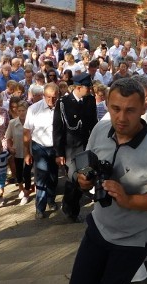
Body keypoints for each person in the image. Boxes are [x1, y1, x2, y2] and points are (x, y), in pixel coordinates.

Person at [68, 78, 147, 284]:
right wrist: (82, 178)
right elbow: (84, 162)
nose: (121, 117)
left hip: (133, 238)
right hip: (99, 226)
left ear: (143, 109)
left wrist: (129, 200)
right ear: (107, 105)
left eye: (130, 110)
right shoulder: (100, 130)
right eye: (115, 108)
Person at [53, 73, 98, 222]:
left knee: (84, 180)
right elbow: (58, 130)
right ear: (79, 87)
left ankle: (72, 207)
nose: (91, 90)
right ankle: (70, 209)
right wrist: (59, 153)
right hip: (71, 150)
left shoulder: (90, 101)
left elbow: (93, 124)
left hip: (86, 148)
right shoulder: (63, 103)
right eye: (88, 87)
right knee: (74, 179)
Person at [24, 83, 60, 218]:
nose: (51, 100)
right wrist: (27, 152)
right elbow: (27, 132)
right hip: (39, 146)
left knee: (53, 175)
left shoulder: (60, 107)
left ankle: (51, 199)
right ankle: (40, 207)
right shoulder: (34, 109)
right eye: (48, 97)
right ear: (44, 96)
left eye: (54, 97)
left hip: (55, 147)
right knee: (41, 176)